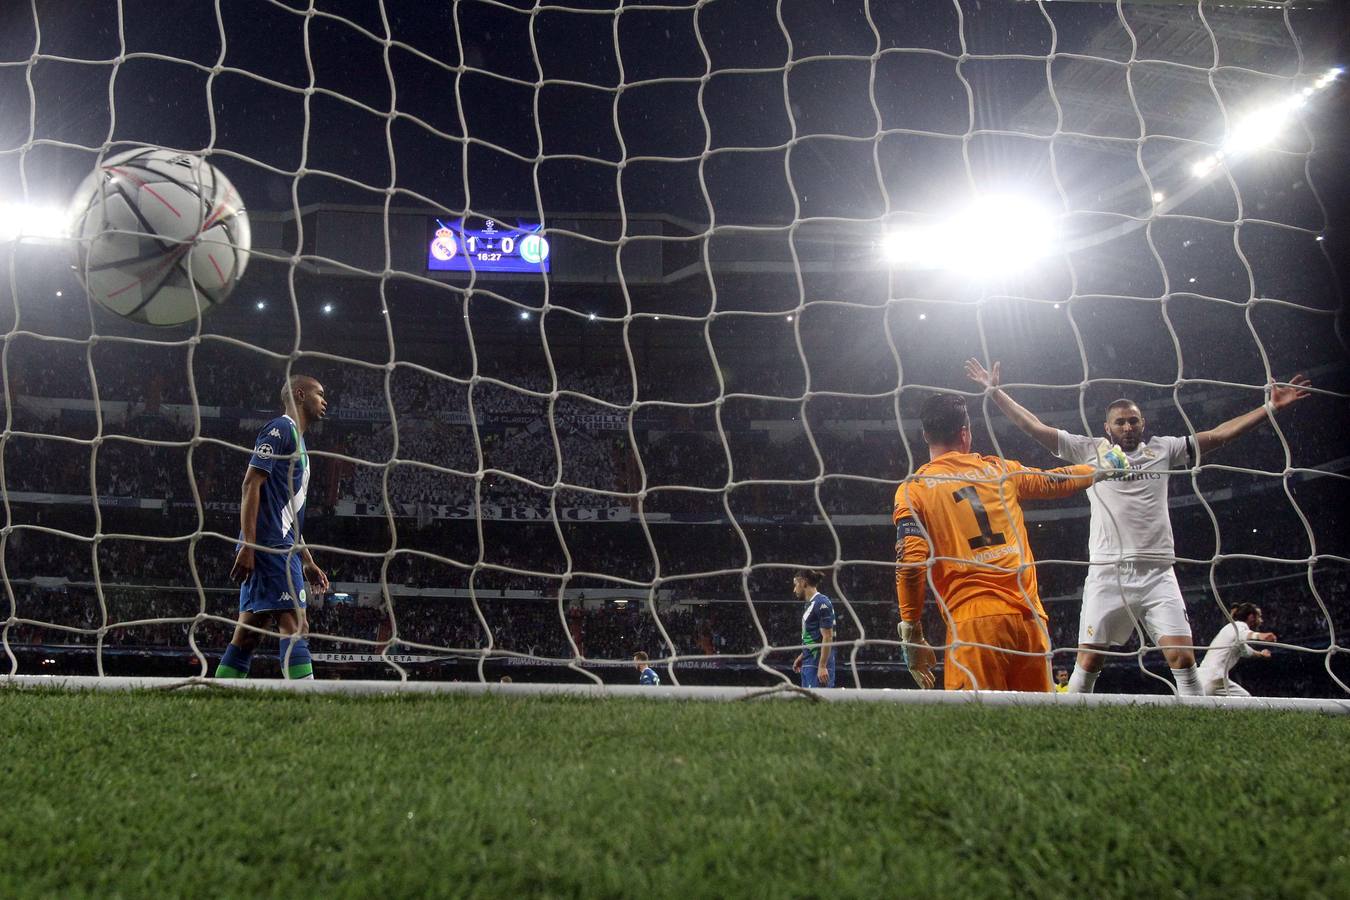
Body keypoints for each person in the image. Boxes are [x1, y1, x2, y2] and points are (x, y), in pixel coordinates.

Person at [966, 358, 1309, 695]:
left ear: (1143, 423)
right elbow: (1034, 428)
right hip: (1107, 572)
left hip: (1158, 572)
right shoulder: (1090, 451)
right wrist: (996, 393)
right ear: (1107, 427)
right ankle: (1072, 720)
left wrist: (1270, 407)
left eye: (1132, 421)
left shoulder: (1163, 449)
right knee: (1088, 663)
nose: (1127, 427)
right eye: (1120, 422)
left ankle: (1199, 727)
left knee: (1183, 659)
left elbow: (1217, 436)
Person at [894, 393, 1123, 692]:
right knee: (1037, 730)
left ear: (925, 435)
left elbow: (910, 564)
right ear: (966, 432)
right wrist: (1101, 467)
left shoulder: (915, 489)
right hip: (1029, 622)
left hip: (974, 625)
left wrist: (911, 633)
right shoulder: (1000, 471)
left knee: (979, 731)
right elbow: (1055, 480)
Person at [214, 374, 330, 679]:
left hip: (282, 545)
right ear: (299, 394)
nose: (325, 401)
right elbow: (251, 483)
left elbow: (286, 513)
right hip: (270, 546)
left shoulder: (300, 443)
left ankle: (215, 699)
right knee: (296, 625)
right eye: (320, 394)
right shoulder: (281, 429)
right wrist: (249, 546)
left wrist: (308, 561)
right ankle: (306, 707)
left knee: (249, 635)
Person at [1198, 603, 1276, 696]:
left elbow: (1246, 651)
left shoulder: (1229, 629)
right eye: (1259, 617)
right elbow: (1242, 634)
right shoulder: (1238, 626)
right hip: (1214, 678)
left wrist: (1261, 654)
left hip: (1201, 678)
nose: (1261, 620)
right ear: (1251, 617)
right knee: (1247, 702)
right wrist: (1260, 636)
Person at [790, 570, 836, 689]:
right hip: (809, 663)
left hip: (817, 665)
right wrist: (802, 656)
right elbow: (814, 636)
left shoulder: (822, 603)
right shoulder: (810, 604)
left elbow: (828, 636)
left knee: (818, 703)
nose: (794, 590)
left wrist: (822, 665)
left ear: (804, 583)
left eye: (795, 585)